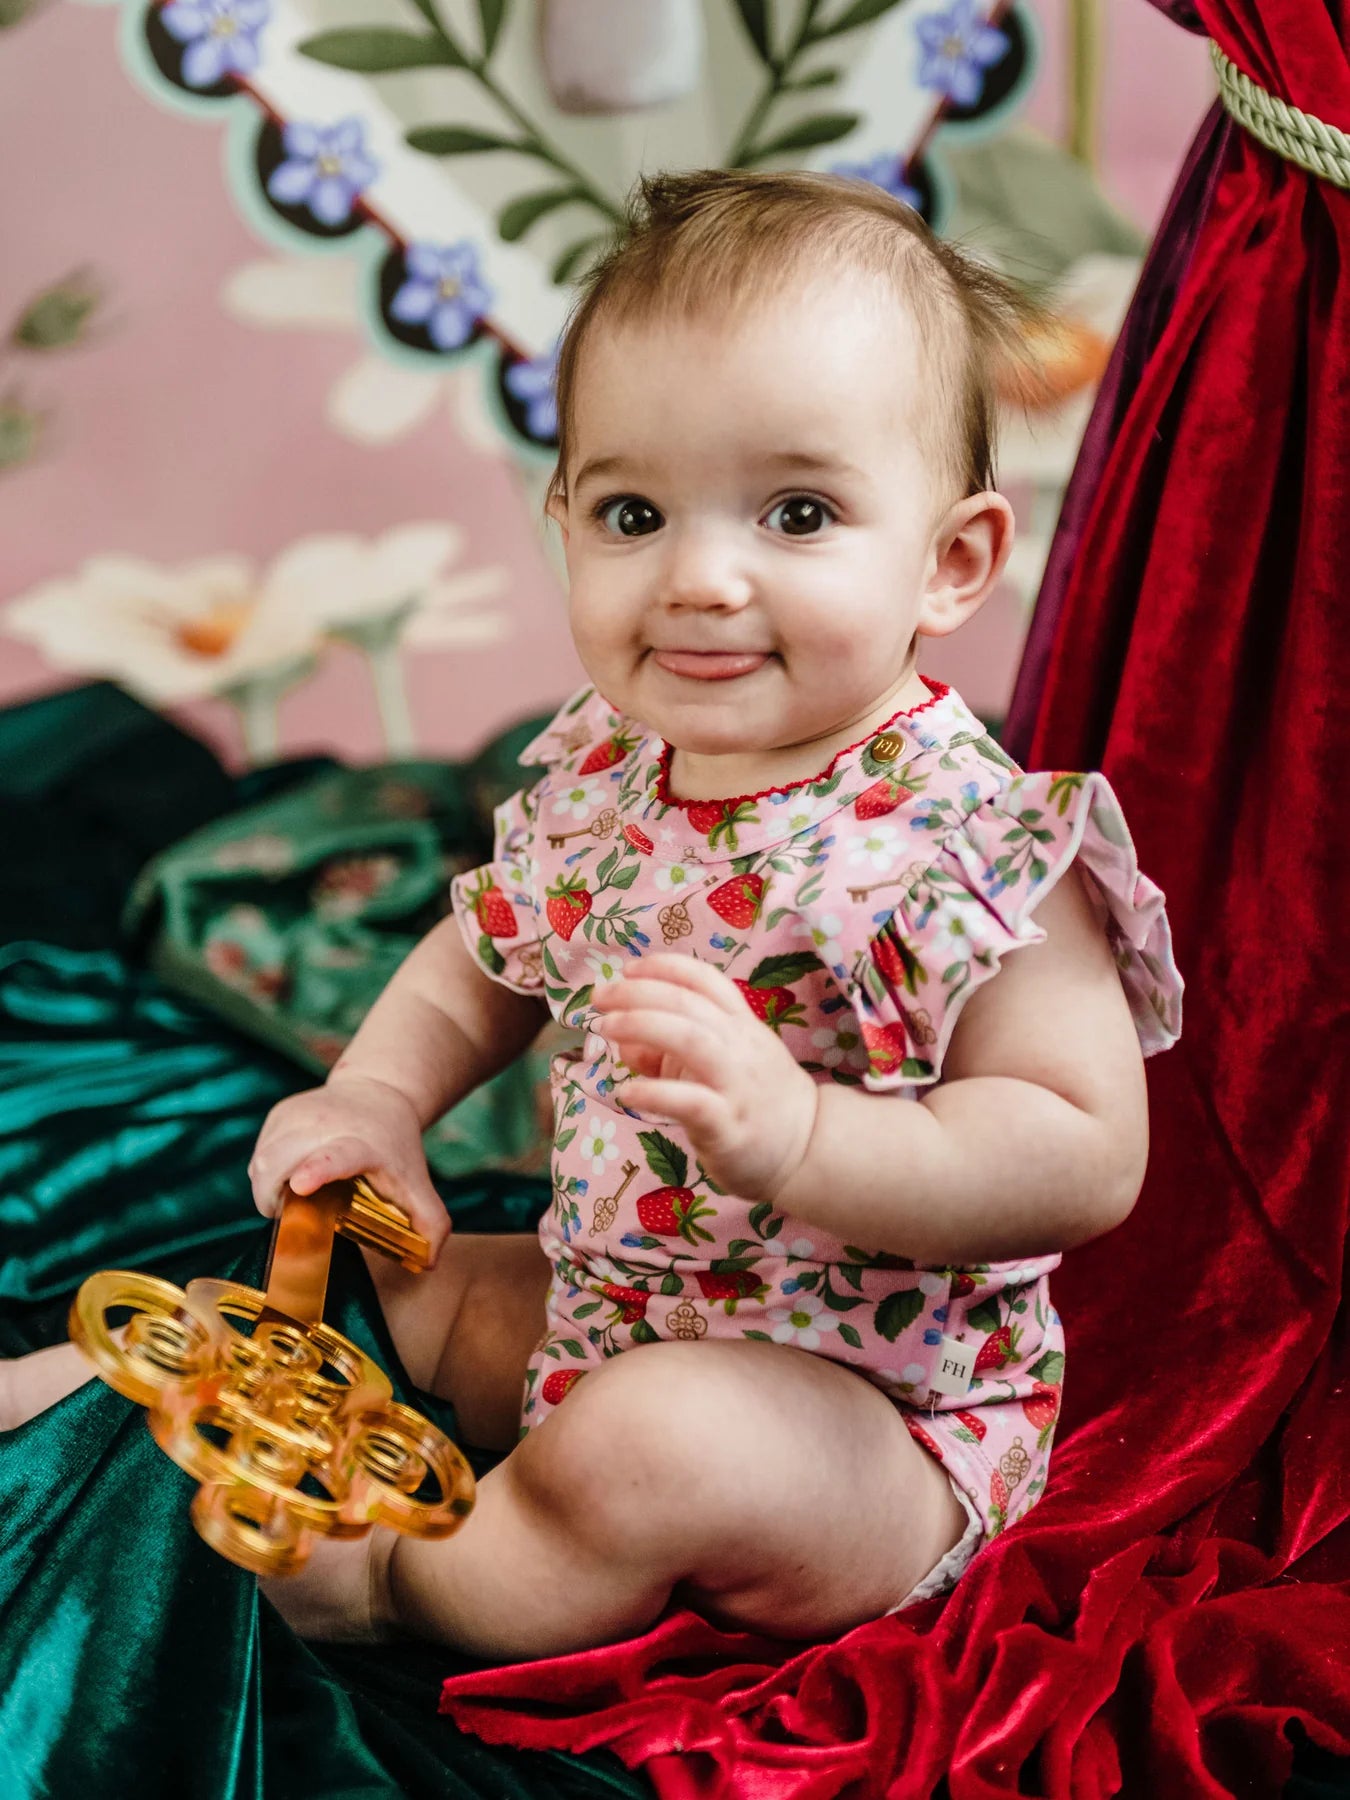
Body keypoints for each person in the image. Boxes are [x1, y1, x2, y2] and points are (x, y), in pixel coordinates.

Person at [0, 169, 1182, 1659]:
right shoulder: (612, 776)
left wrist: (807, 1140)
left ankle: (394, 1589)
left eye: (797, 512)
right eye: (633, 511)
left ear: (949, 562)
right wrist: (376, 1093)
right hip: (603, 1301)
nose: (697, 576)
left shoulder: (967, 841)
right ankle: (90, 1397)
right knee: (366, 1273)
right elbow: (479, 961)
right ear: (563, 518)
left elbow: (1078, 1151)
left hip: (865, 1425)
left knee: (658, 1447)